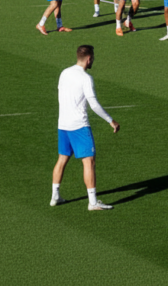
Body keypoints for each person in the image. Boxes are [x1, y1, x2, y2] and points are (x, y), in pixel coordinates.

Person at [51, 45, 120, 211]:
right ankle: (93, 202)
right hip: (79, 125)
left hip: (63, 124)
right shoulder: (85, 78)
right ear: (89, 59)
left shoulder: (64, 73)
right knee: (89, 161)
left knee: (62, 159)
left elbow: (60, 94)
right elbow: (94, 104)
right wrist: (111, 120)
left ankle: (55, 196)